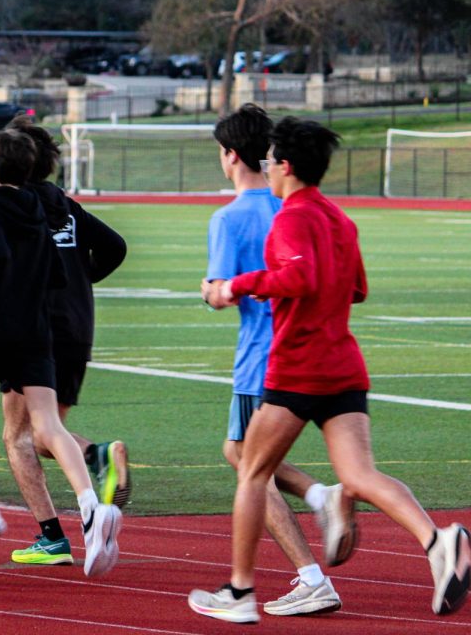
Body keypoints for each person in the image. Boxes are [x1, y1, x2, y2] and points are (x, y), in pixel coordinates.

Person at [189, 117, 470, 624]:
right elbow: (357, 288)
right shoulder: (340, 219)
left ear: (287, 166)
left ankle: (239, 591)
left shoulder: (293, 217)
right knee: (360, 475)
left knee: (251, 471)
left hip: (299, 367)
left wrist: (238, 285)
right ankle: (439, 540)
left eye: (272, 160)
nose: (267, 168)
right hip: (344, 364)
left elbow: (299, 275)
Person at [0, 130, 122, 577]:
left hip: (5, 325)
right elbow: (88, 256)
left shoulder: (1, 206)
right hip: (55, 327)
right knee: (45, 428)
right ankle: (90, 502)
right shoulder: (56, 205)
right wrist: (72, 283)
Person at [201, 104, 342, 617]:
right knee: (239, 451)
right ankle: (320, 497)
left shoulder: (230, 217)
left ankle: (306, 569)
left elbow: (225, 291)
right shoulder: (292, 206)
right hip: (310, 352)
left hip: (261, 357)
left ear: (231, 155)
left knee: (248, 466)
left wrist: (210, 290)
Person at [0, 117, 130, 566]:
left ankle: (54, 532)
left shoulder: (12, 206)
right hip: (77, 325)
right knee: (46, 429)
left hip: (35, 326)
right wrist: (80, 278)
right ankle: (95, 455)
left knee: (18, 435)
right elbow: (116, 246)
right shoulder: (65, 206)